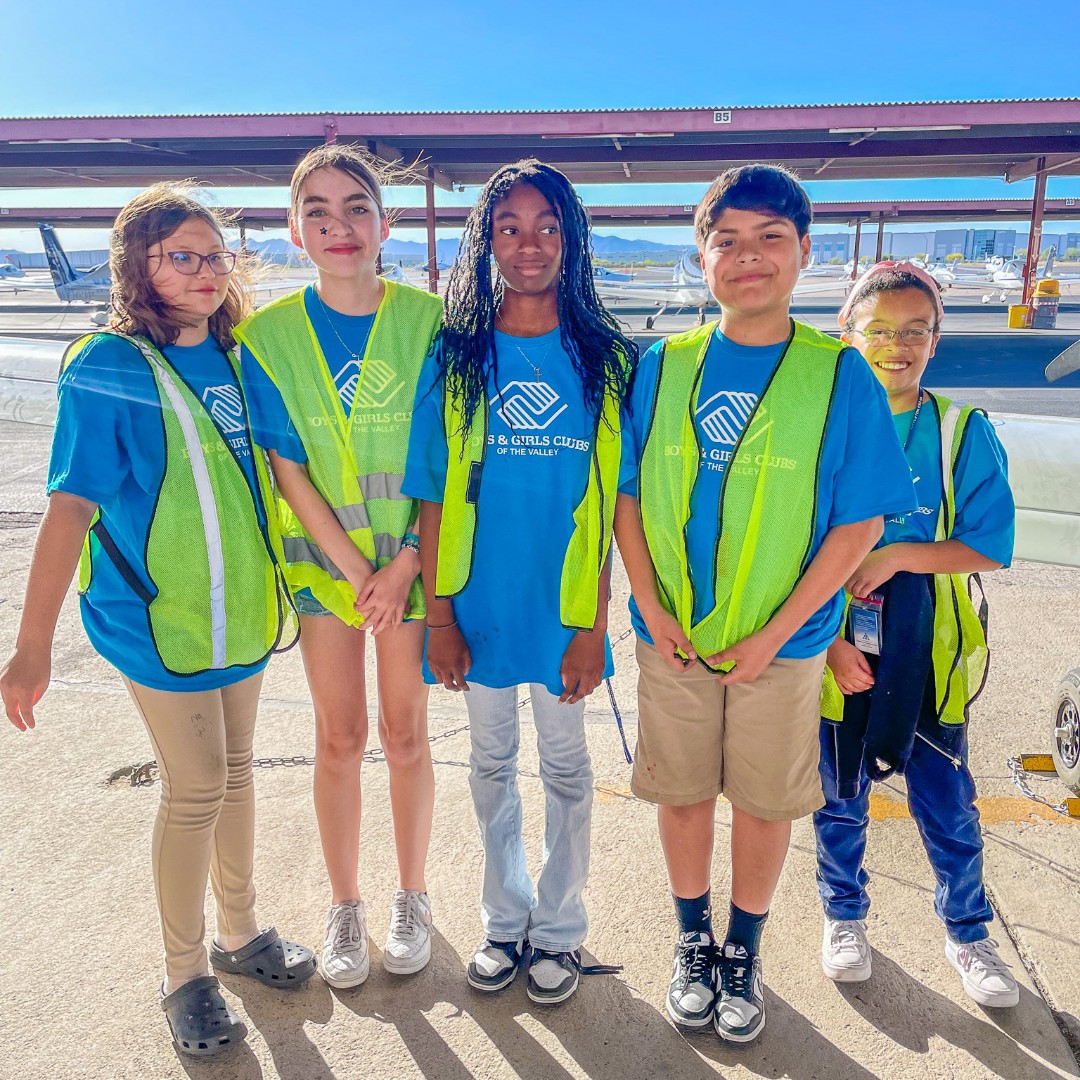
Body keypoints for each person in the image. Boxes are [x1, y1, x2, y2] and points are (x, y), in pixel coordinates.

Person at [0, 184, 315, 1058]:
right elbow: (69, 510)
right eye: (184, 256)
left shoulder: (239, 359)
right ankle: (185, 974)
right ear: (140, 266)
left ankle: (241, 932)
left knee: (241, 772)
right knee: (197, 788)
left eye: (217, 256)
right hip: (158, 622)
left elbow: (284, 476)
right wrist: (30, 649)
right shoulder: (107, 363)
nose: (207, 271)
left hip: (239, 615)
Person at [614, 164, 916, 1043]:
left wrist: (782, 635)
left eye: (770, 240)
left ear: (804, 254)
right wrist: (651, 607)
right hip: (671, 634)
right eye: (728, 241)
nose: (748, 258)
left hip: (782, 647)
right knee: (680, 794)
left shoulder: (839, 376)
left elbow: (858, 525)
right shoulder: (661, 367)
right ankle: (692, 941)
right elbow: (627, 498)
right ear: (701, 257)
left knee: (763, 800)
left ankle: (743, 947)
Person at [404, 158, 633, 1005]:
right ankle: (505, 920)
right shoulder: (458, 355)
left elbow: (614, 511)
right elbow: (431, 494)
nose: (528, 244)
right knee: (492, 764)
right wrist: (438, 617)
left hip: (562, 609)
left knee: (568, 771)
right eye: (509, 227)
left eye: (546, 226)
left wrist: (590, 626)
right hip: (476, 607)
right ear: (485, 240)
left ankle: (561, 931)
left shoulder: (608, 361)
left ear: (571, 238)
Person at [235, 144, 442, 989]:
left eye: (355, 206)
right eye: (316, 210)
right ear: (294, 232)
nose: (338, 224)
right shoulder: (267, 337)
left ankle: (413, 895)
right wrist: (361, 570)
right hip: (329, 575)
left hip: (415, 572)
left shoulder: (429, 321)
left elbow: (449, 458)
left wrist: (405, 568)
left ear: (384, 223)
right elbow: (288, 469)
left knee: (405, 734)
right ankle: (346, 904)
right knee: (339, 737)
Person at [814, 261, 1018, 1007]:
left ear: (935, 340)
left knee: (946, 799)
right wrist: (829, 642)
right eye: (879, 331)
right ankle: (843, 915)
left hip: (927, 649)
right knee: (838, 794)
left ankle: (968, 931)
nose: (897, 346)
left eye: (916, 332)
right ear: (848, 335)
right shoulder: (823, 424)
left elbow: (989, 544)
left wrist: (899, 553)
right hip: (833, 633)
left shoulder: (960, 430)